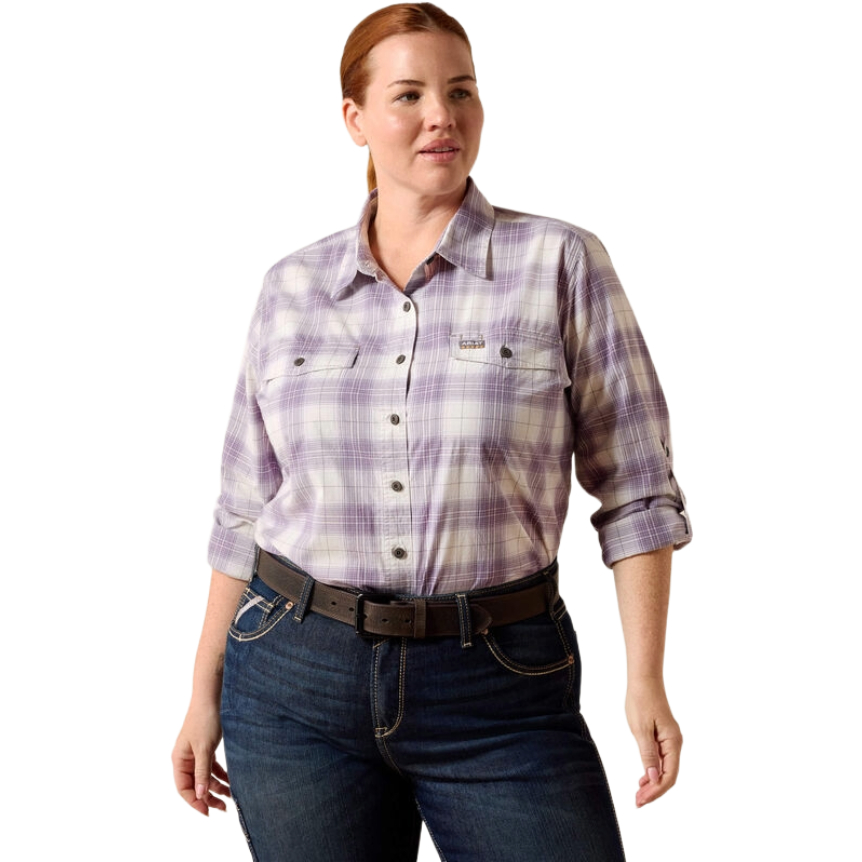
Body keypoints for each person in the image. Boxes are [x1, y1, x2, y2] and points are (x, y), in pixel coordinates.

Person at [172, 4, 691, 860]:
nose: (442, 115)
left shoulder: (560, 263)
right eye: (409, 95)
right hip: (295, 683)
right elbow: (245, 509)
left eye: (461, 91)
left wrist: (646, 678)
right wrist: (204, 690)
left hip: (500, 685)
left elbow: (636, 486)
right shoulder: (291, 287)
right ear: (355, 119)